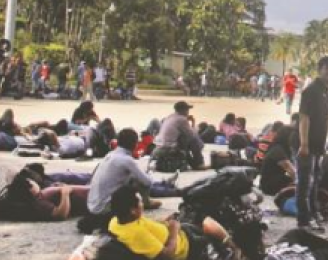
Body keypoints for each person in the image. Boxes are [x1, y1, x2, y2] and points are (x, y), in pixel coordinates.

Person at [108, 185, 237, 260]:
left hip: (179, 232)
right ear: (132, 210)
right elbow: (166, 255)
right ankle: (234, 251)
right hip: (186, 246)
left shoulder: (117, 221)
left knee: (194, 213)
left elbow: (146, 225)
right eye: (140, 202)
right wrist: (174, 230)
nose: (143, 205)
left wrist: (165, 222)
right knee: (208, 224)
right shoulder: (136, 234)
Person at [296, 56, 328, 233]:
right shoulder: (311, 90)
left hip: (318, 145)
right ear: (319, 70)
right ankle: (303, 221)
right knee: (304, 183)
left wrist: (323, 145)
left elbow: (327, 119)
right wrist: (304, 143)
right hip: (305, 143)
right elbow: (304, 118)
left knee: (315, 182)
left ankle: (313, 214)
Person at [87, 128, 163, 217]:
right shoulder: (127, 160)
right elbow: (148, 182)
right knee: (139, 180)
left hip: (92, 205)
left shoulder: (110, 155)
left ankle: (147, 200)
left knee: (133, 178)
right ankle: (146, 202)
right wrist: (149, 172)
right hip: (105, 208)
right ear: (135, 144)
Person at [153, 101, 207, 170]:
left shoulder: (169, 117)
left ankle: (195, 165)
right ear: (183, 110)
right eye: (187, 110)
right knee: (193, 140)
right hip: (168, 149)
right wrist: (193, 123)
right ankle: (199, 164)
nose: (188, 112)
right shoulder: (182, 120)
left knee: (184, 140)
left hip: (159, 147)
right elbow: (192, 135)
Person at [260, 124, 296, 196]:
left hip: (270, 181)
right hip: (270, 185)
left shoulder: (278, 147)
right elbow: (292, 171)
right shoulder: (278, 150)